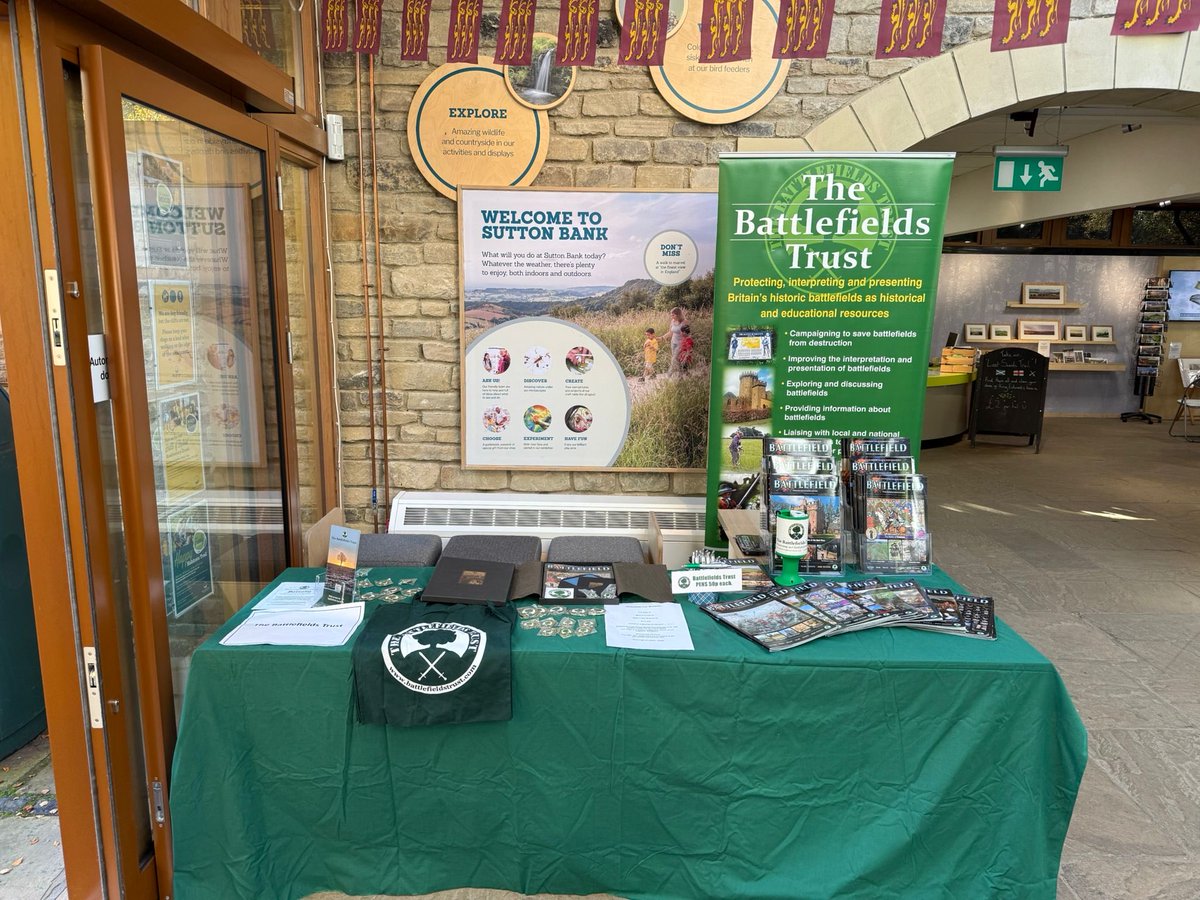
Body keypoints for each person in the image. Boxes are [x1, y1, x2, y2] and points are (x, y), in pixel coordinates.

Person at [667, 307, 687, 375]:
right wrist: (661, 338)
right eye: (671, 314)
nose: (671, 316)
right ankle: (681, 374)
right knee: (676, 359)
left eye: (673, 315)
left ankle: (669, 374)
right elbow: (670, 332)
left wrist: (684, 334)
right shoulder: (672, 321)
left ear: (678, 315)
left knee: (674, 358)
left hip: (680, 343)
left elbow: (687, 334)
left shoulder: (684, 322)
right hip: (673, 342)